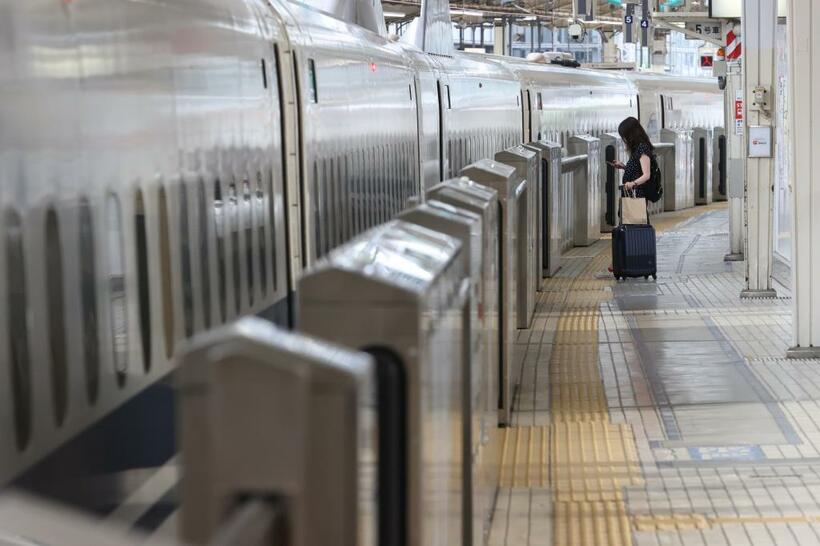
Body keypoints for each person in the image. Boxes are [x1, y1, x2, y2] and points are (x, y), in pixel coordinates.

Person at [607, 116, 656, 272]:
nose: (624, 139)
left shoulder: (642, 149)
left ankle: (629, 261)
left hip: (637, 197)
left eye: (624, 136)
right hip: (632, 196)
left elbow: (646, 174)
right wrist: (623, 167)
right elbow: (637, 170)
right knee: (629, 227)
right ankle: (622, 261)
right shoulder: (638, 149)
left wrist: (632, 183)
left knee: (633, 228)